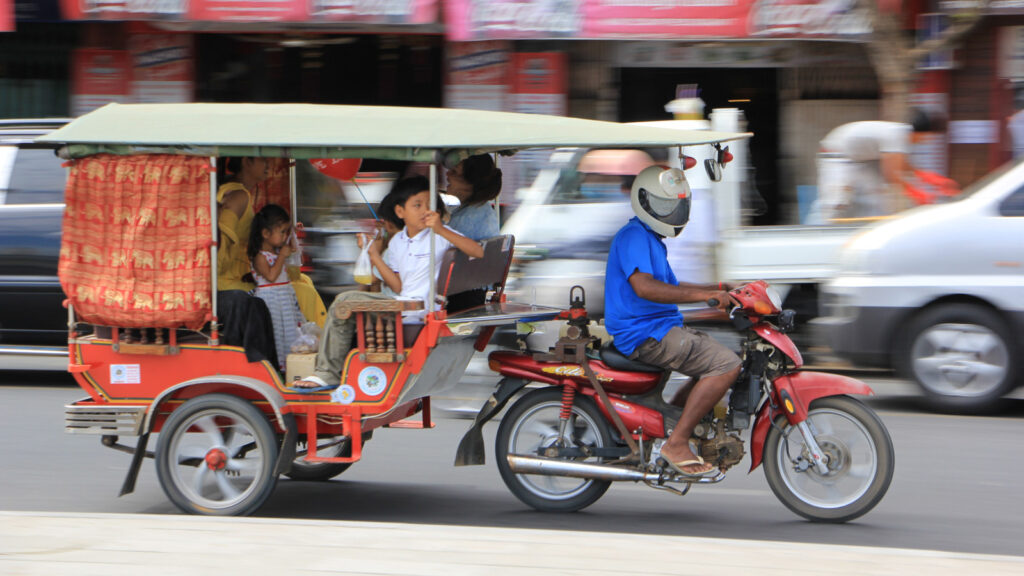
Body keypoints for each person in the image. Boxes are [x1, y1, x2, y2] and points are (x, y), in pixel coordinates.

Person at [604, 165, 742, 477]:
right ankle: (677, 443)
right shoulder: (634, 236)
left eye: (676, 205)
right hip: (645, 333)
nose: (672, 212)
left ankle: (679, 427)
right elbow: (645, 287)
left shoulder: (650, 239)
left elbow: (673, 288)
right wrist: (704, 297)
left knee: (711, 363)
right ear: (644, 201)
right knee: (726, 364)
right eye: (665, 205)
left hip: (659, 328)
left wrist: (720, 289)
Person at [294, 175, 484, 389]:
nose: (425, 211)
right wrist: (374, 254)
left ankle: (328, 373)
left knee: (342, 303)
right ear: (400, 212)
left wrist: (441, 229)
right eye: (417, 205)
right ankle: (335, 369)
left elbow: (477, 252)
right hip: (401, 304)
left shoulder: (438, 236)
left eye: (429, 205)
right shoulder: (398, 243)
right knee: (344, 304)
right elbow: (398, 286)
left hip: (417, 309)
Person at [216, 157, 326, 328]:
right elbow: (220, 241)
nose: (268, 165)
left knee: (304, 280)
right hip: (228, 282)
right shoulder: (238, 196)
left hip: (242, 276)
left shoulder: (242, 193)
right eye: (262, 160)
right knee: (305, 293)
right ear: (247, 162)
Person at [814, 109, 943, 221]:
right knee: (836, 201)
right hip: (836, 155)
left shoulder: (901, 135)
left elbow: (900, 163)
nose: (924, 141)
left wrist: (923, 176)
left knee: (875, 200)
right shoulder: (896, 135)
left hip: (859, 160)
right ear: (918, 132)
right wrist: (916, 193)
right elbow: (891, 175)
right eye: (925, 137)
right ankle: (815, 232)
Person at [248, 204, 304, 371]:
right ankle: (278, 366)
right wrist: (281, 257)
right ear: (266, 234)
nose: (284, 236)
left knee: (290, 331)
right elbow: (271, 276)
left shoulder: (277, 250)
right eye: (282, 232)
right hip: (271, 300)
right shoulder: (260, 256)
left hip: (284, 299)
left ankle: (291, 364)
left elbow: (293, 248)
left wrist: (293, 232)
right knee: (277, 333)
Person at [445, 154, 502, 241]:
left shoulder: (466, 220)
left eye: (454, 172)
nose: (447, 174)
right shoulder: (482, 210)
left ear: (471, 184)